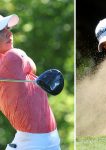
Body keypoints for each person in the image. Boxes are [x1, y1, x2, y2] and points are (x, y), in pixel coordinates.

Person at [0, 14, 61, 150]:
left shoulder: (8, 58)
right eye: (1, 31)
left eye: (7, 28)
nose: (8, 33)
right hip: (33, 144)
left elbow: (30, 65)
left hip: (46, 141)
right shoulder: (12, 56)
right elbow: (26, 61)